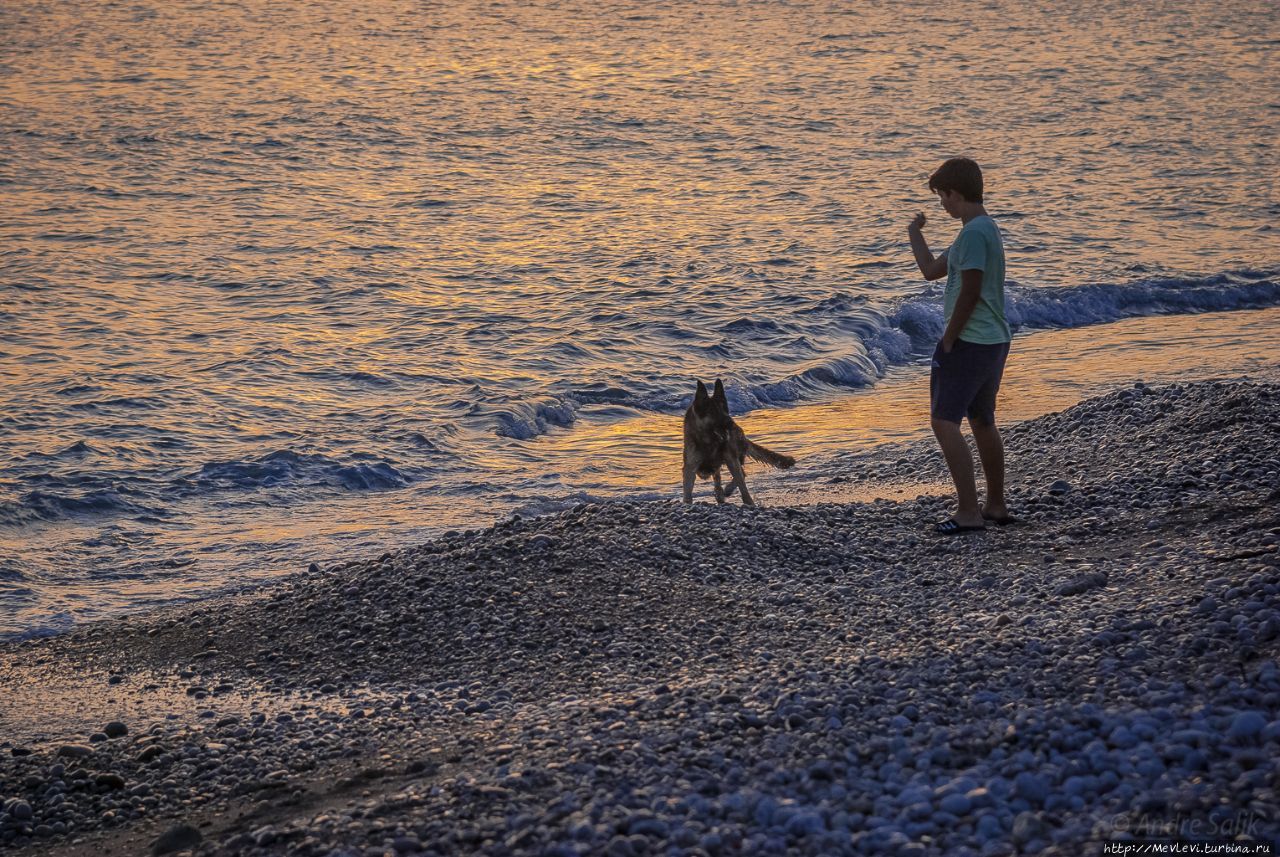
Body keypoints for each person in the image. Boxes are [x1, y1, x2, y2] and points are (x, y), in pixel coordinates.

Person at [907, 157, 1014, 535]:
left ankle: (968, 511)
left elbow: (969, 291)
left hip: (971, 340)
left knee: (943, 421)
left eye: (942, 197)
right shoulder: (983, 229)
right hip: (994, 338)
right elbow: (931, 271)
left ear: (956, 192)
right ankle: (996, 505)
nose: (942, 205)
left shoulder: (972, 234)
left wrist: (949, 337)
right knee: (983, 421)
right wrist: (914, 232)